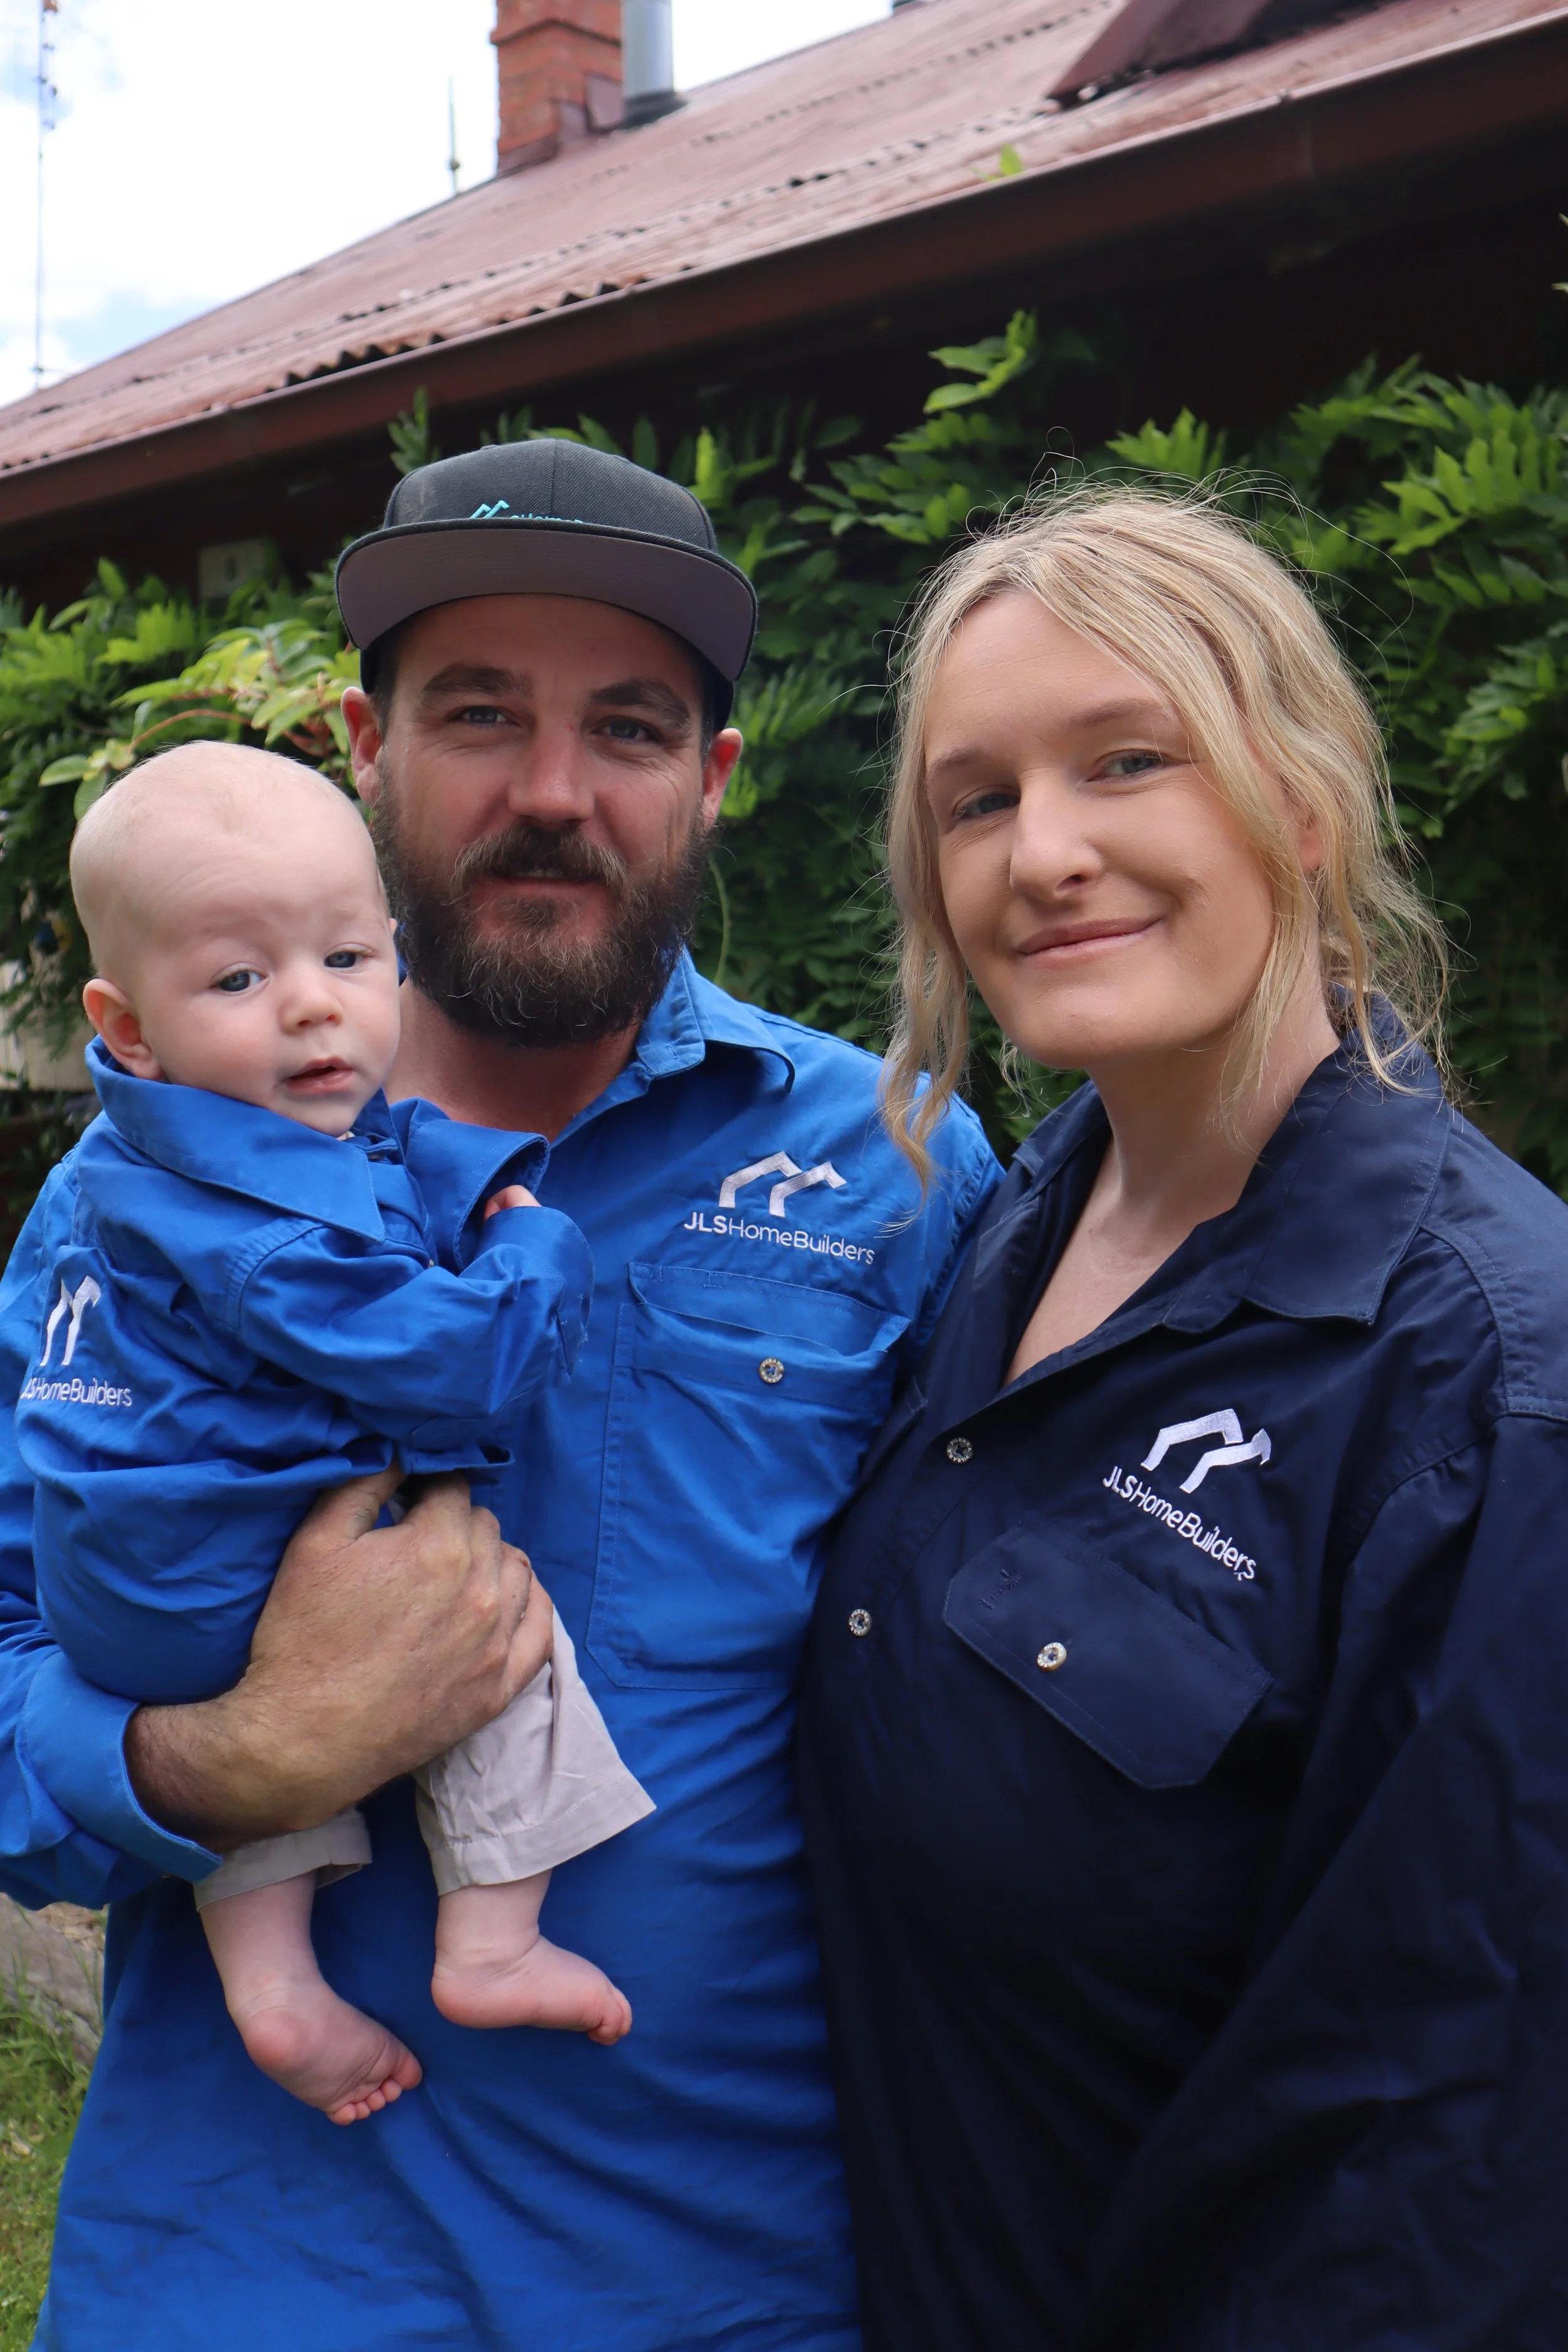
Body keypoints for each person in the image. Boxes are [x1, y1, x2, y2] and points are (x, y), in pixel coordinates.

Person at [0, 440, 999, 2349]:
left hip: (734, 2278)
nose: (552, 790)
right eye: (479, 715)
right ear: (365, 751)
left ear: (711, 778)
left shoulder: (889, 1163)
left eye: (628, 727)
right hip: (242, 2280)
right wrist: (223, 1760)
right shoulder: (133, 1203)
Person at [798, 490, 1568, 2349]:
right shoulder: (1008, 1226)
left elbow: (1437, 2168)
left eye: (1124, 760)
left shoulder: (1484, 1383)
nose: (1043, 853)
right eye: (975, 800)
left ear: (1295, 800)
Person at [18, 741, 652, 2126]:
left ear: (396, 954)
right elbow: (462, 1368)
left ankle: (276, 1982)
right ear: (129, 1028)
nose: (312, 1005)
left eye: (349, 959)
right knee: (490, 1623)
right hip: (220, 1591)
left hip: (130, 1590)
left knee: (253, 1688)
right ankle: (492, 1937)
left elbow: (387, 1143)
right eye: (241, 980)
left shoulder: (114, 1181)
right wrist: (533, 1247)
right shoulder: (259, 1235)